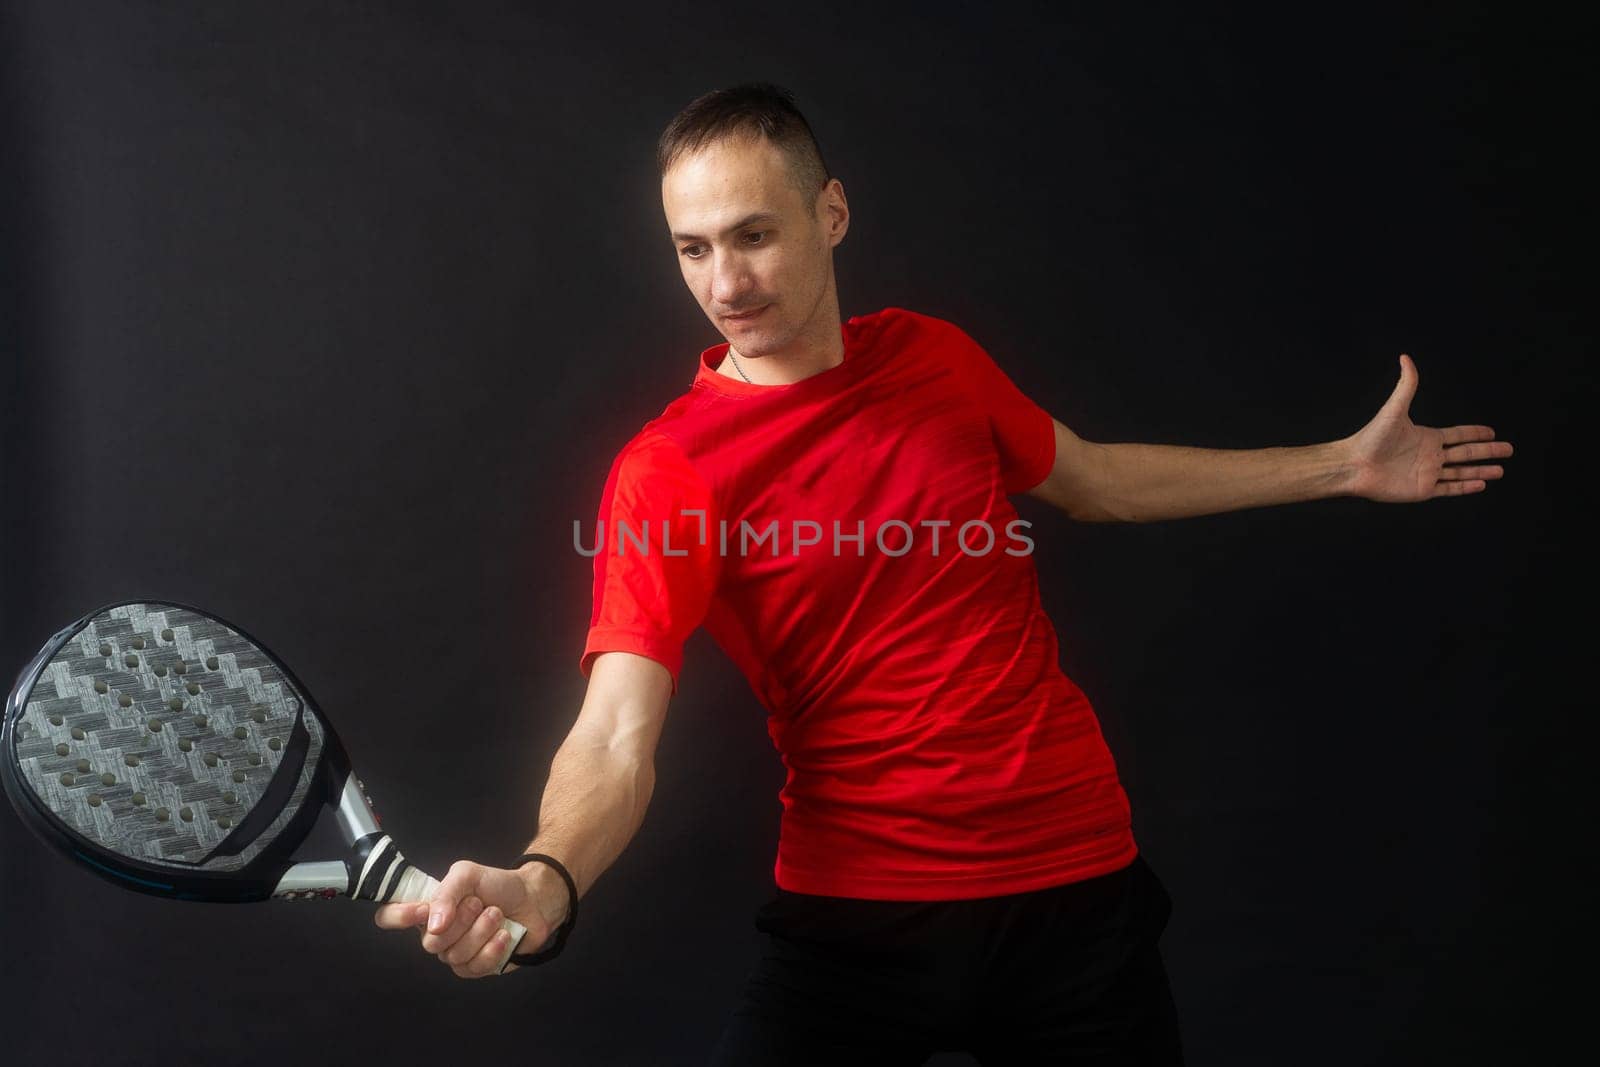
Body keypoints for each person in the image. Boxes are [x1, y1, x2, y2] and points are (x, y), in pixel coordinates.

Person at [374, 83, 1513, 1064]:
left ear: (832, 213)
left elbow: (1096, 477)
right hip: (856, 922)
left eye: (754, 234)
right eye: (693, 247)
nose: (726, 281)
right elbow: (616, 732)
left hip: (1075, 890)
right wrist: (549, 877)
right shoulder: (667, 470)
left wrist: (1340, 465)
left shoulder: (934, 357)